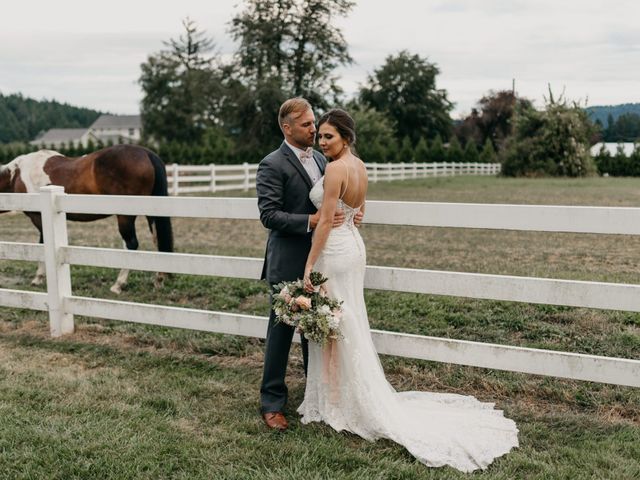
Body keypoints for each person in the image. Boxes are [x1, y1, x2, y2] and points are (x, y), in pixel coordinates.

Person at [298, 108, 519, 473]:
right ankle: (337, 398)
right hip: (354, 243)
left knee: (337, 322)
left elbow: (323, 222)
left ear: (346, 138)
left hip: (335, 249)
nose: (322, 143)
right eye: (319, 136)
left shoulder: (335, 169)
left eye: (328, 137)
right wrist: (350, 217)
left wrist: (309, 263)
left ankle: (338, 402)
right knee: (346, 319)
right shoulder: (360, 166)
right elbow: (360, 209)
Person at [256, 98, 362, 431]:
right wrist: (312, 221)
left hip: (322, 261)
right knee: (280, 333)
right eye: (306, 125)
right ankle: (272, 403)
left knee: (316, 332)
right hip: (288, 260)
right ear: (286, 127)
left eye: (314, 122)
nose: (314, 129)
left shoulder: (322, 158)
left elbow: (337, 198)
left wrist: (351, 212)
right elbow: (269, 215)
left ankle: (313, 396)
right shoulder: (271, 164)